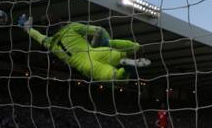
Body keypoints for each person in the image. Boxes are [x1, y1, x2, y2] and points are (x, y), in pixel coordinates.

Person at [18, 14, 150, 81]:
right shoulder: (71, 27)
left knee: (117, 79)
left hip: (86, 66)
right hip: (97, 52)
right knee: (115, 50)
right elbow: (99, 30)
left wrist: (27, 28)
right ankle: (132, 49)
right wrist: (100, 43)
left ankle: (126, 68)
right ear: (60, 22)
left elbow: (38, 36)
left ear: (48, 30)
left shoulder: (50, 43)